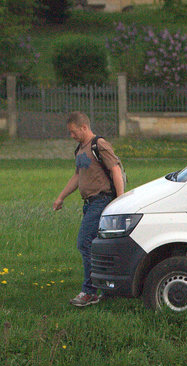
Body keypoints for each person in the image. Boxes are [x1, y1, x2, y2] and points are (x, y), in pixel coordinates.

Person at [52, 112, 124, 307]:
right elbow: (77, 176)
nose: (71, 136)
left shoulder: (99, 145)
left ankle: (89, 291)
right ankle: (109, 289)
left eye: (73, 132)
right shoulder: (80, 149)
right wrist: (61, 197)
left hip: (101, 201)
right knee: (99, 248)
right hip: (89, 204)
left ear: (84, 127)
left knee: (85, 243)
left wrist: (120, 201)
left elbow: (116, 170)